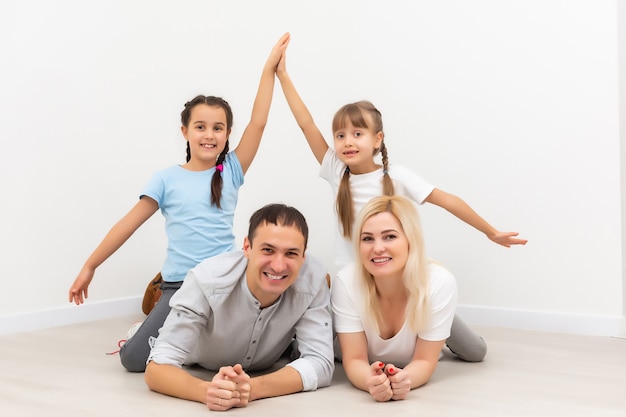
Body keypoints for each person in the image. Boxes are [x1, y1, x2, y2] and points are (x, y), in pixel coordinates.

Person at [276, 44, 527, 362]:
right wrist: (283, 75)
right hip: (357, 284)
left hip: (403, 282)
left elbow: (447, 200)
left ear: (377, 140)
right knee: (341, 353)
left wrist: (491, 232)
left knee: (475, 351)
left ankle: (425, 335)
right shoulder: (336, 171)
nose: (348, 141)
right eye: (340, 135)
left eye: (357, 133)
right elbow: (306, 123)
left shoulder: (398, 177)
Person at [67, 33, 291, 372]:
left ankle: (197, 338)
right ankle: (156, 329)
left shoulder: (231, 169)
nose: (209, 135)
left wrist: (269, 69)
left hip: (227, 283)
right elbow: (127, 224)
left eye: (218, 128)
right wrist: (90, 265)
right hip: (180, 286)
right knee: (133, 361)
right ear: (185, 131)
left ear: (228, 134)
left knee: (253, 354)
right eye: (200, 126)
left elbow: (259, 121)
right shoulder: (165, 179)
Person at [144, 203, 334, 411]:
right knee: (134, 359)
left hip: (266, 359)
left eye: (291, 253)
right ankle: (145, 318)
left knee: (302, 349)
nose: (278, 266)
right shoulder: (207, 278)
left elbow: (321, 363)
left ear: (303, 256)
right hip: (197, 360)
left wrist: (252, 388)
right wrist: (206, 391)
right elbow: (157, 369)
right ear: (247, 247)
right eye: (268, 250)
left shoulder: (315, 280)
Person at [332, 195, 457, 401]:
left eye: (389, 236)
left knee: (475, 351)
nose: (378, 248)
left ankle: (448, 322)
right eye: (367, 238)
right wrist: (370, 382)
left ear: (410, 240)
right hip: (366, 313)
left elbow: (425, 360)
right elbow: (355, 359)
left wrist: (404, 380)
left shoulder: (440, 282)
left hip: (424, 301)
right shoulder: (346, 281)